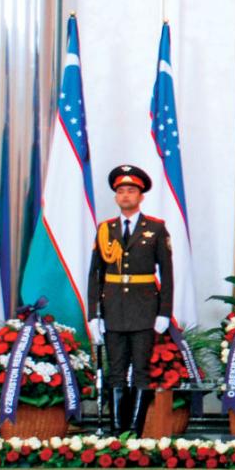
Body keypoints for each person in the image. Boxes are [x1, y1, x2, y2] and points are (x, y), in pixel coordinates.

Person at [86, 164, 173, 435]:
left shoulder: (155, 228)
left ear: (141, 196)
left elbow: (167, 274)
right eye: (121, 191)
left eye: (131, 191)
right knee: (116, 370)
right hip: (113, 309)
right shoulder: (105, 229)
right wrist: (93, 314)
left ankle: (134, 431)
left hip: (144, 309)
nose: (126, 195)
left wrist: (164, 312)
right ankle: (116, 431)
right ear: (116, 197)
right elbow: (95, 274)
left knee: (141, 370)